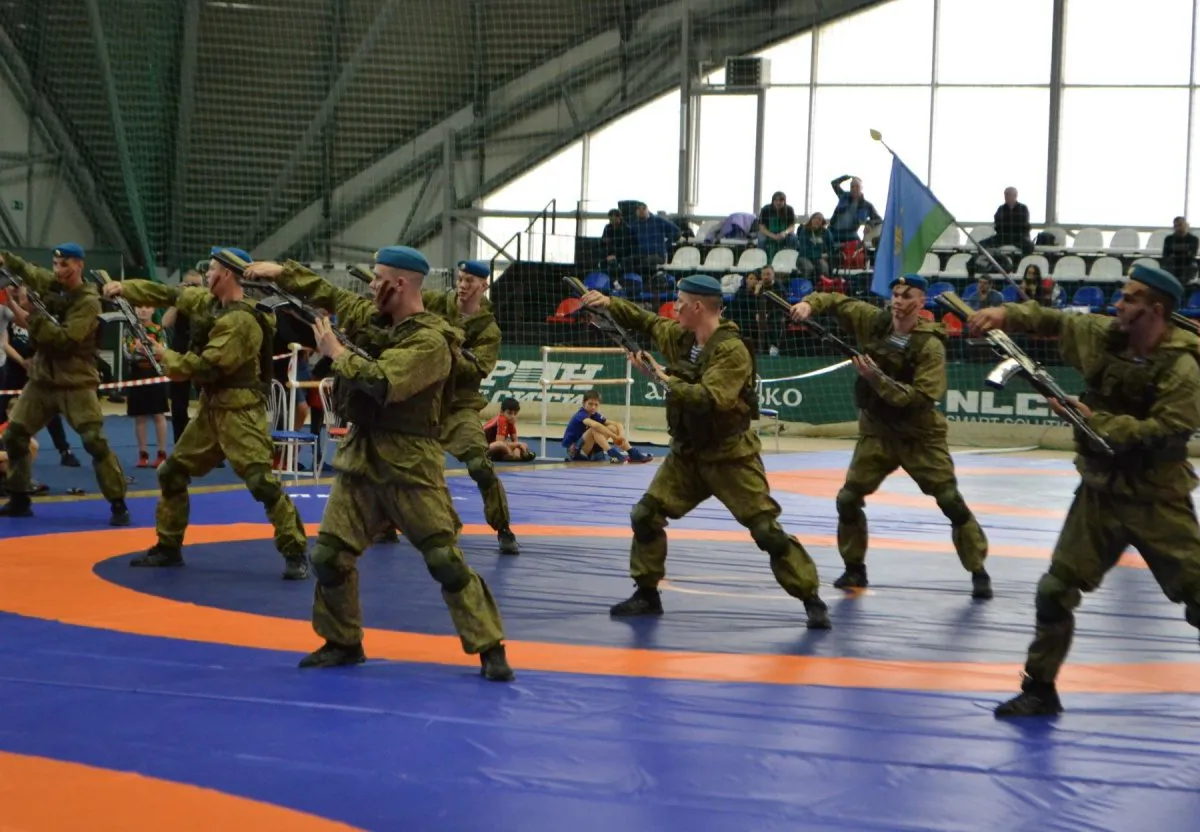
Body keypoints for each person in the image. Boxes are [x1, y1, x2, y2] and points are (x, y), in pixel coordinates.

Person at [242, 250, 514, 681]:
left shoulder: (431, 341)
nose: (371, 285)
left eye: (379, 278)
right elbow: (328, 293)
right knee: (329, 556)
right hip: (361, 459)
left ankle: (489, 645)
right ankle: (342, 641)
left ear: (400, 284)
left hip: (411, 466)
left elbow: (383, 381)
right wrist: (282, 272)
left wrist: (336, 352)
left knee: (444, 560)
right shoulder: (373, 316)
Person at [967, 264, 1200, 717]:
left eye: (1130, 298)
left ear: (1155, 310)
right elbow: (1054, 320)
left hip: (1157, 498)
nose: (1119, 304)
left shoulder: (1184, 367)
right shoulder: (1104, 336)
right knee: (1055, 590)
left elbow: (1167, 432)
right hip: (1100, 492)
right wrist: (1004, 314)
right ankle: (1040, 689)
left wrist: (1094, 421)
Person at [578, 275, 831, 629]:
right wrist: (609, 303)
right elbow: (646, 321)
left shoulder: (732, 350)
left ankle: (811, 597)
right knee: (645, 515)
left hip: (730, 456)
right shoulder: (681, 337)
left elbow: (710, 398)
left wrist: (661, 376)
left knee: (766, 531)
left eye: (680, 303)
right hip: (687, 455)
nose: (674, 308)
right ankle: (647, 593)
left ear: (698, 307)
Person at [102, 248, 309, 580]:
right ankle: (168, 546)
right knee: (172, 472)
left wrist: (164, 355)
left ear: (226, 274)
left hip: (240, 412)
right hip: (211, 410)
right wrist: (124, 288)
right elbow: (170, 294)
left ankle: (295, 550)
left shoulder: (241, 321)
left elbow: (205, 366)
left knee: (262, 482)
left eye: (212, 269)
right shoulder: (209, 303)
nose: (207, 274)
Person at [789, 274, 992, 599]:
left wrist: (875, 377)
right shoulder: (875, 322)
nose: (898, 300)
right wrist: (808, 305)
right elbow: (837, 301)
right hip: (877, 433)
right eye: (895, 294)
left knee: (950, 501)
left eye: (907, 295)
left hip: (919, 437)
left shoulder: (930, 346)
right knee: (848, 499)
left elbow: (919, 399)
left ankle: (978, 569)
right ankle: (854, 567)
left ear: (921, 302)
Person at [0, 244, 129, 525]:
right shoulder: (52, 283)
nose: (59, 270)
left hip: (75, 382)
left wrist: (34, 316)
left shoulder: (88, 302)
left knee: (94, 441)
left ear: (79, 265)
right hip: (42, 380)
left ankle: (118, 502)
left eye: (65, 265)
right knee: (14, 435)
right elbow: (27, 270)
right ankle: (19, 496)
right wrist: (4, 257)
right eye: (56, 264)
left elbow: (66, 340)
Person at [421, 260, 520, 554]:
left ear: (484, 285)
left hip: (459, 406)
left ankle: (503, 527)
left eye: (470, 281)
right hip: (421, 400)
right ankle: (387, 523)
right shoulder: (435, 302)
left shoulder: (488, 329)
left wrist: (446, 348)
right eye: (461, 279)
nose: (463, 285)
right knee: (393, 462)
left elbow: (477, 369)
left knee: (479, 463)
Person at [560, 388, 650, 463]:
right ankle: (612, 453)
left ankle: (632, 452)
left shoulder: (595, 414)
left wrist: (621, 436)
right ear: (584, 403)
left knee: (612, 428)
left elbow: (618, 424)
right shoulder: (581, 414)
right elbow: (596, 425)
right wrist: (614, 436)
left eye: (596, 405)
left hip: (592, 449)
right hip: (576, 451)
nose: (593, 407)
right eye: (590, 404)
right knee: (594, 429)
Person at [484, 397, 534, 462]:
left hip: (491, 447)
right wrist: (518, 445)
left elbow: (515, 441)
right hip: (481, 446)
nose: (513, 416)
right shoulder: (501, 419)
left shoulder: (510, 422)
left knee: (522, 445)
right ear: (501, 412)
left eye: (515, 414)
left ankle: (514, 456)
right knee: (502, 445)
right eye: (509, 413)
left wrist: (519, 448)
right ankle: (511, 455)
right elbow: (499, 442)